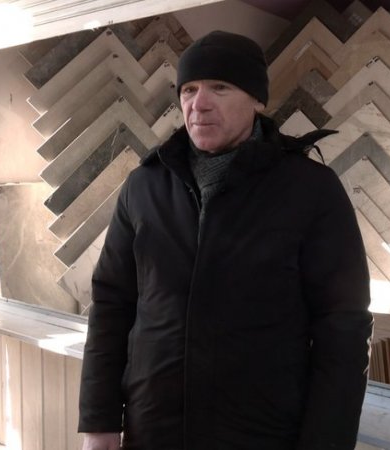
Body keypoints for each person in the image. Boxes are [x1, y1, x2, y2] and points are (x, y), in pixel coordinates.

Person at [78, 30, 373, 450]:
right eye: (189, 89)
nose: (198, 103)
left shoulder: (310, 190)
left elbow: (342, 326)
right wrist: (99, 420)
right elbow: (111, 304)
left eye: (219, 87)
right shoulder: (144, 187)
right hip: (154, 431)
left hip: (261, 435)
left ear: (257, 100)